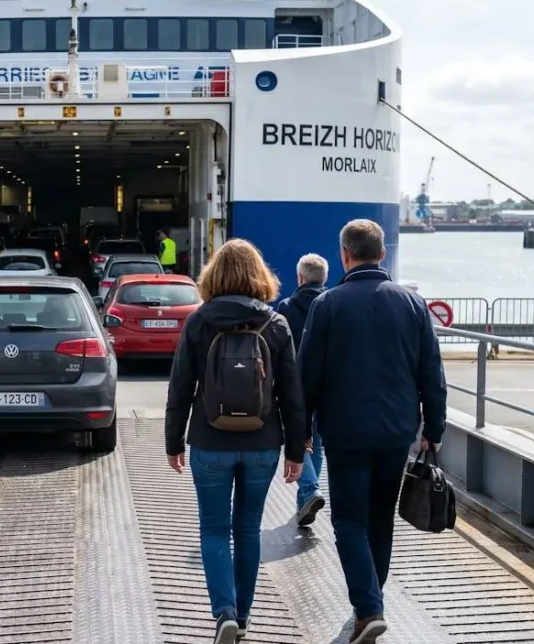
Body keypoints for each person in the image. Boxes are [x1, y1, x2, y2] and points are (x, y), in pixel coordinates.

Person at [298, 220, 447, 644]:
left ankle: (368, 608)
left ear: (345, 255)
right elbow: (431, 373)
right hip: (397, 432)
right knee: (381, 519)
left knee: (348, 518)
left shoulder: (327, 305)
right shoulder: (413, 304)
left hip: (344, 432)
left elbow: (308, 373)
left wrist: (300, 429)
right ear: (382, 254)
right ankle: (372, 603)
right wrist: (433, 426)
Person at [165, 238, 308, 644]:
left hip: (209, 441)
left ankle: (223, 612)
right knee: (247, 531)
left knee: (213, 529)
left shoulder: (198, 321)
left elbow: (180, 387)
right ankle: (242, 618)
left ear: (214, 275)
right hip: (262, 442)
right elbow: (293, 396)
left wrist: (173, 441)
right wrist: (297, 451)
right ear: (259, 275)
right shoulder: (276, 324)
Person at [275, 253, 329, 527]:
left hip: (294, 385)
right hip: (326, 386)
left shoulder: (286, 307)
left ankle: (309, 490)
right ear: (324, 278)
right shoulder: (333, 304)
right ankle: (303, 504)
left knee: (296, 439)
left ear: (300, 278)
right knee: (316, 444)